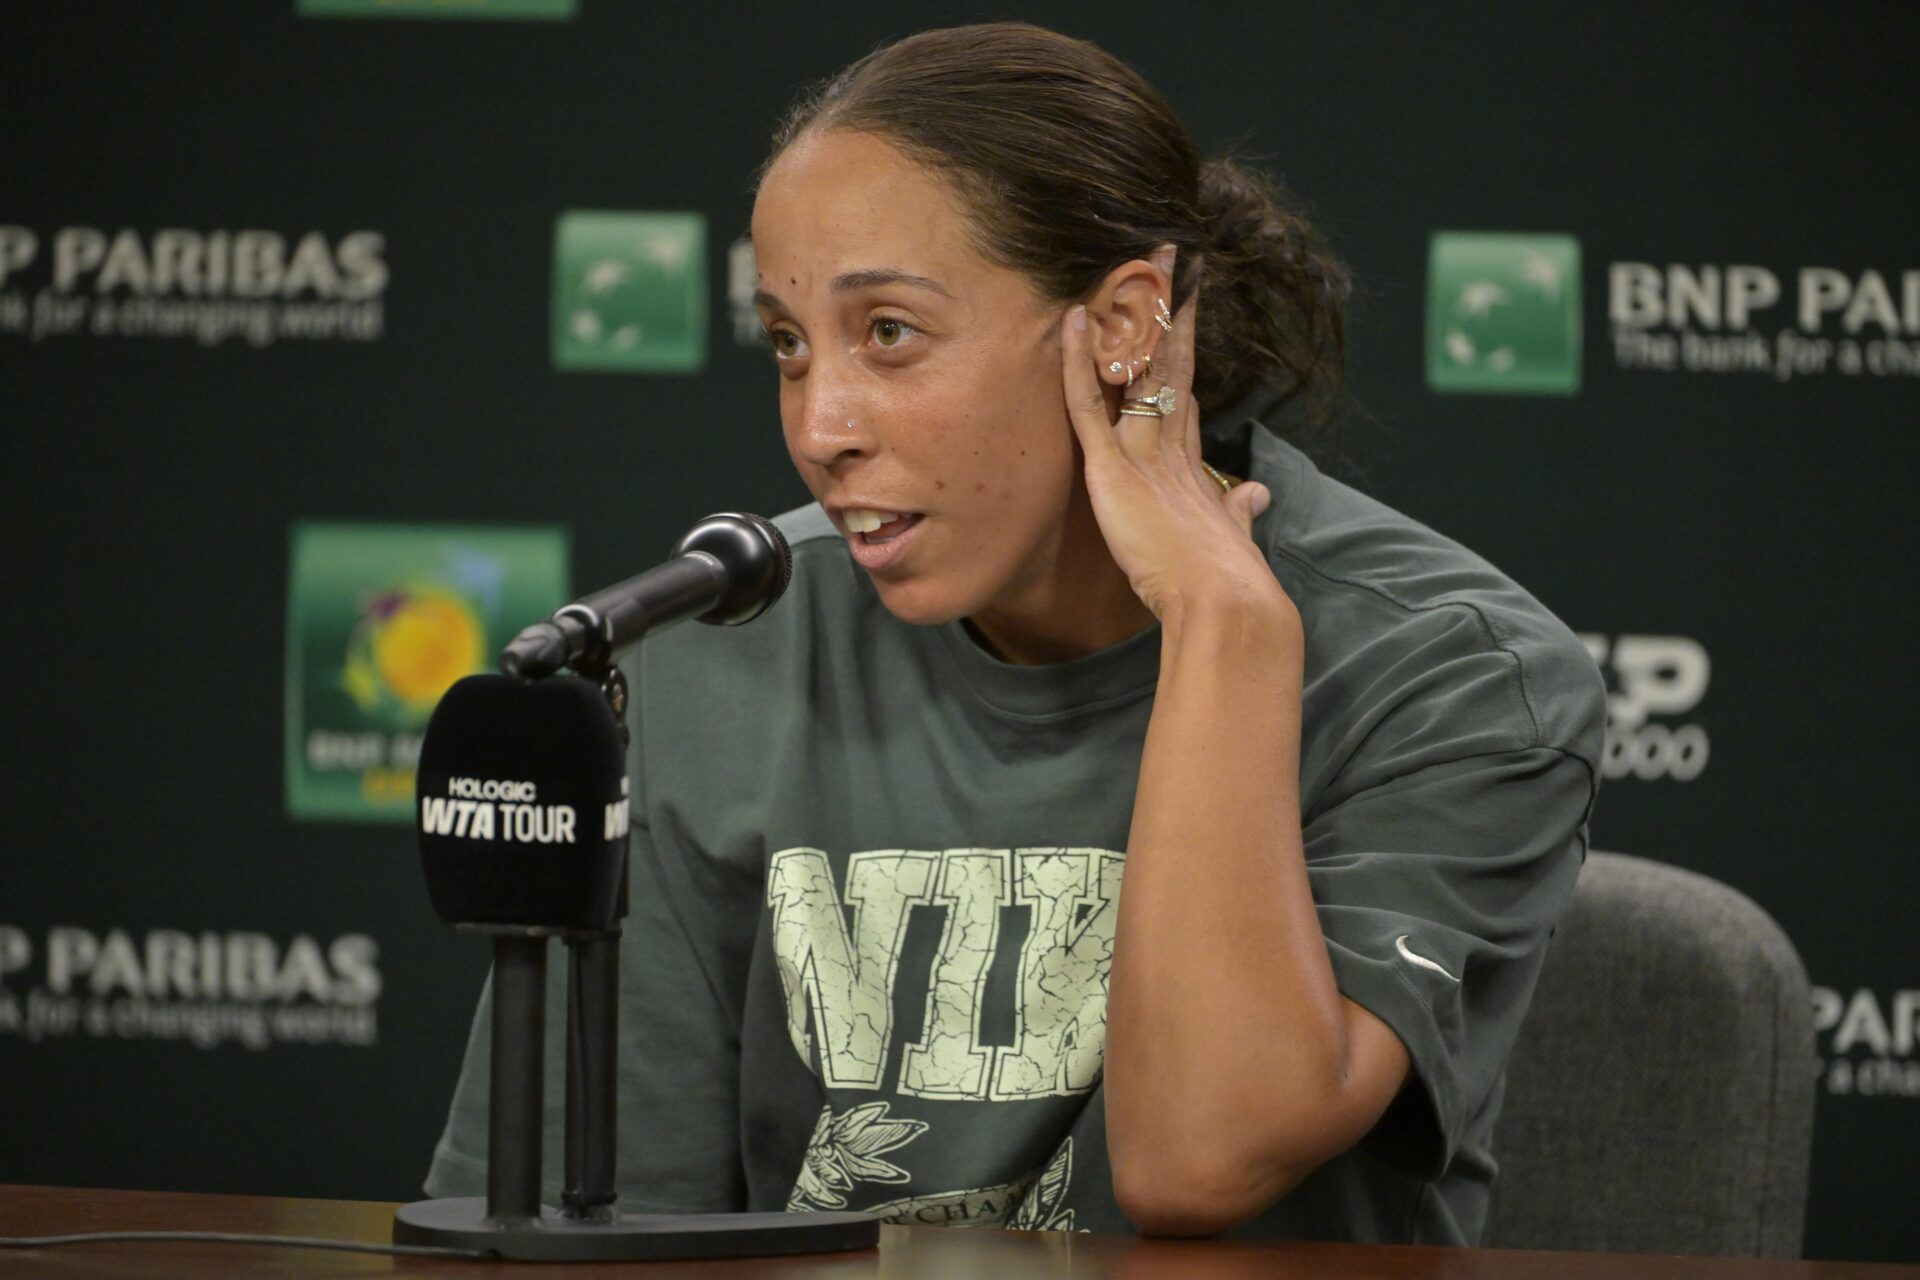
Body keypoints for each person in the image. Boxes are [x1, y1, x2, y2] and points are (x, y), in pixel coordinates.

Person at [426, 21, 1605, 1242]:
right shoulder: (728, 642)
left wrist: (1223, 622)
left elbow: (1197, 1159)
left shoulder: (1459, 676)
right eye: (788, 342)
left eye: (889, 332)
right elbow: (584, 1233)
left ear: (1123, 327)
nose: (820, 424)